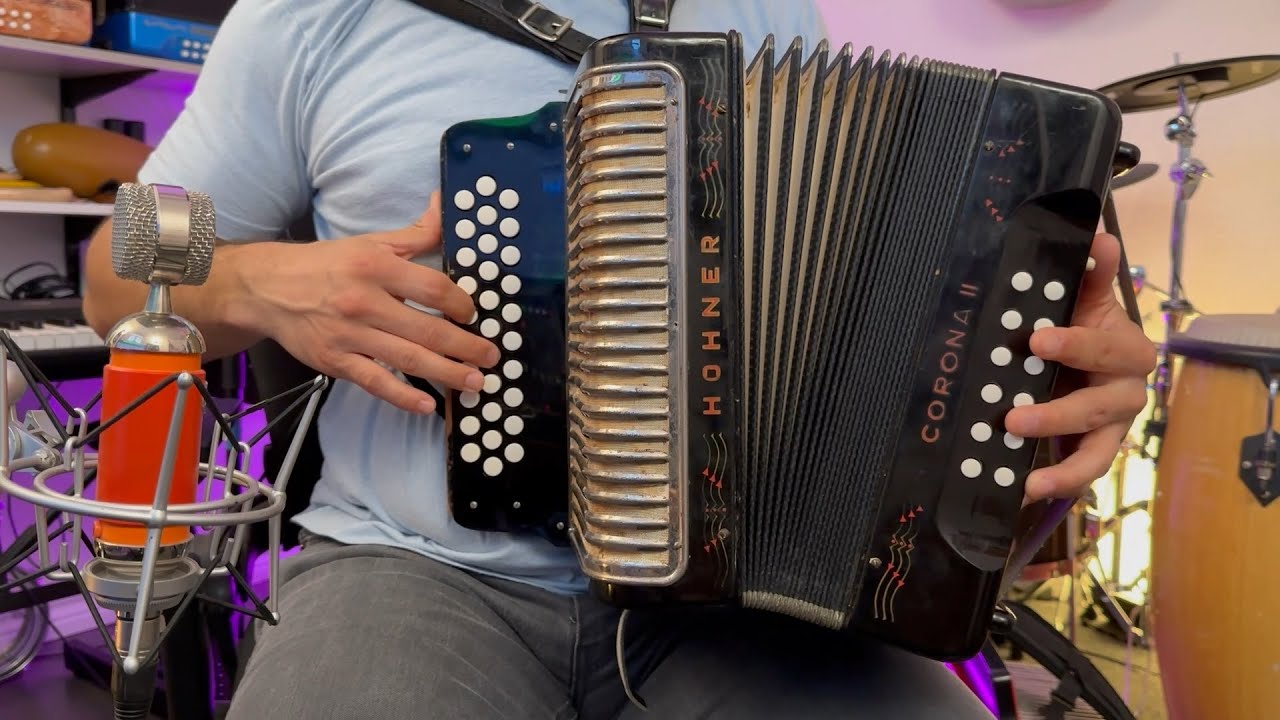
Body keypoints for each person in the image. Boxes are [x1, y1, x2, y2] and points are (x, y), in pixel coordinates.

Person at [81, 1, 1157, 718]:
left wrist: (1044, 400)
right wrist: (266, 280)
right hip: (413, 568)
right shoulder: (314, 15)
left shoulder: (766, 9)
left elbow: (874, 339)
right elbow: (114, 267)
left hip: (742, 598)